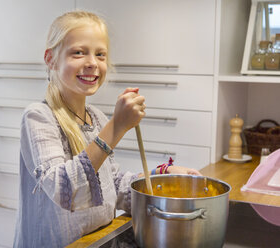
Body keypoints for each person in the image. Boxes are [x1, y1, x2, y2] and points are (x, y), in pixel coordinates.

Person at [13, 10, 201, 248]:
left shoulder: (97, 118)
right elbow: (64, 190)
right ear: (51, 59)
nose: (92, 62)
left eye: (100, 54)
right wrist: (117, 127)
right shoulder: (38, 117)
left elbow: (113, 186)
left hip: (96, 241)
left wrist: (164, 176)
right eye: (79, 52)